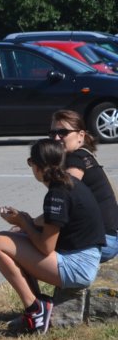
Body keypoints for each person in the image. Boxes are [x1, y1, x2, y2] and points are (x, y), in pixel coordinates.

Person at [0, 139, 104, 335]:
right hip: (84, 258)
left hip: (78, 267)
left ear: (37, 166)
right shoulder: (68, 183)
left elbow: (45, 247)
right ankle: (37, 305)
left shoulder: (57, 194)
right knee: (14, 238)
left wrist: (24, 223)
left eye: (30, 162)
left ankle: (35, 308)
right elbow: (50, 226)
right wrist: (25, 222)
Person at [48, 110, 118, 262]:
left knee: (27, 243)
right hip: (108, 238)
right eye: (52, 133)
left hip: (102, 242)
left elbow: (62, 203)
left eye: (63, 133)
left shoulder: (75, 160)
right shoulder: (85, 155)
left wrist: (28, 223)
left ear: (81, 135)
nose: (56, 138)